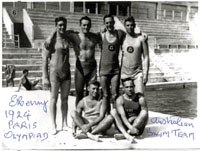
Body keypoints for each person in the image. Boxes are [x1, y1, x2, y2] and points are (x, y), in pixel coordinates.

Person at [45, 16, 102, 107]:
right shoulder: (74, 36)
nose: (86, 27)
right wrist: (50, 36)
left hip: (92, 69)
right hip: (80, 68)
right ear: (80, 25)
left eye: (88, 25)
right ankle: (78, 117)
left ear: (90, 25)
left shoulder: (94, 37)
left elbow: (104, 33)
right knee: (79, 94)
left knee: (92, 94)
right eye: (84, 25)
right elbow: (59, 30)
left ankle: (90, 116)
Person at [43, 17, 71, 134]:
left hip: (66, 72)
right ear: (56, 26)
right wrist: (45, 76)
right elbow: (45, 59)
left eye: (64, 25)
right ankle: (53, 124)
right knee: (53, 99)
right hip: (54, 72)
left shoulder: (67, 38)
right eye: (59, 25)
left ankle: (64, 123)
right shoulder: (51, 41)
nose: (62, 27)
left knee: (65, 99)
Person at [99, 14, 126, 111]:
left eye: (111, 22)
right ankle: (107, 116)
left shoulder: (120, 34)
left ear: (114, 23)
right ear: (104, 24)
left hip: (115, 71)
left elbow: (131, 34)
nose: (109, 24)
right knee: (105, 95)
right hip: (103, 70)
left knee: (115, 94)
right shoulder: (101, 35)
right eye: (107, 23)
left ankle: (116, 116)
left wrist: (142, 34)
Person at [121, 16, 150, 94]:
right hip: (124, 73)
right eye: (127, 25)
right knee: (127, 99)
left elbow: (146, 56)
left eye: (131, 25)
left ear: (134, 25)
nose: (130, 27)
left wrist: (146, 73)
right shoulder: (122, 38)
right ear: (124, 26)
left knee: (140, 96)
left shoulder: (141, 39)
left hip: (137, 73)